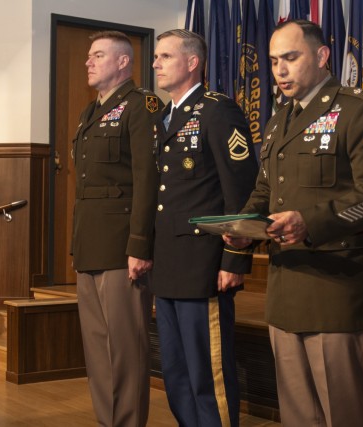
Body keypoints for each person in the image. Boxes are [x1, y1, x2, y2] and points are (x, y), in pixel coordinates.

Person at [225, 20, 363, 426]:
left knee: (342, 413)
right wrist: (241, 231)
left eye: (290, 58)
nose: (280, 70)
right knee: (298, 414)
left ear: (321, 57)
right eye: (273, 62)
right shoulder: (278, 120)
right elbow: (265, 192)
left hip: (335, 287)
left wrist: (311, 222)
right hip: (286, 288)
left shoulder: (360, 110)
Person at [150, 29, 259, 426]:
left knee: (207, 372)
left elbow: (240, 191)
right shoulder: (167, 116)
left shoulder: (218, 110)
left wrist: (234, 258)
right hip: (169, 263)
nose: (155, 63)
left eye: (164, 56)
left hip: (202, 264)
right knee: (176, 372)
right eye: (156, 57)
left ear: (192, 62)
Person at [70, 30, 161, 427]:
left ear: (124, 62)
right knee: (97, 349)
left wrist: (140, 244)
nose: (88, 62)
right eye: (89, 56)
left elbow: (147, 179)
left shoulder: (141, 106)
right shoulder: (89, 112)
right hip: (90, 242)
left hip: (123, 246)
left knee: (125, 351)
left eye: (98, 55)